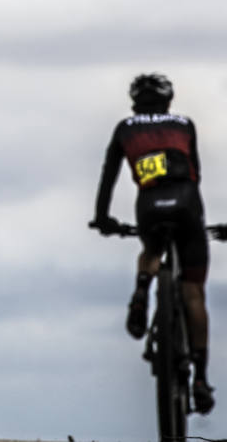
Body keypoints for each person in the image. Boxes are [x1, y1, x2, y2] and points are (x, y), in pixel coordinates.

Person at [91, 72, 215, 414]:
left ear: (134, 101)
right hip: (187, 204)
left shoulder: (124, 128)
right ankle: (201, 379)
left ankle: (142, 289)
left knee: (151, 248)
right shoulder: (184, 124)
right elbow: (196, 172)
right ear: (168, 100)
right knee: (193, 292)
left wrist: (102, 218)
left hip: (149, 206)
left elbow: (109, 177)